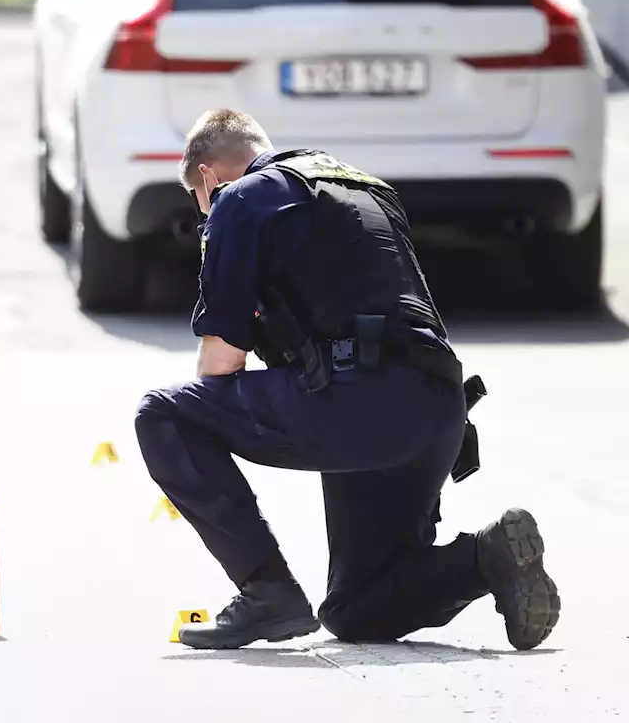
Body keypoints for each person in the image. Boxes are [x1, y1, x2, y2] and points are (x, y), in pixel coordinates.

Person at [134, 109, 560, 651]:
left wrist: (213, 428)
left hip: (360, 405)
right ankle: (486, 556)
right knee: (358, 610)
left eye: (200, 201)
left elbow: (222, 363)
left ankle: (266, 590)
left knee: (164, 413)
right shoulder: (363, 188)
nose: (206, 212)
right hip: (436, 409)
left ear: (210, 177)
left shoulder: (239, 199)